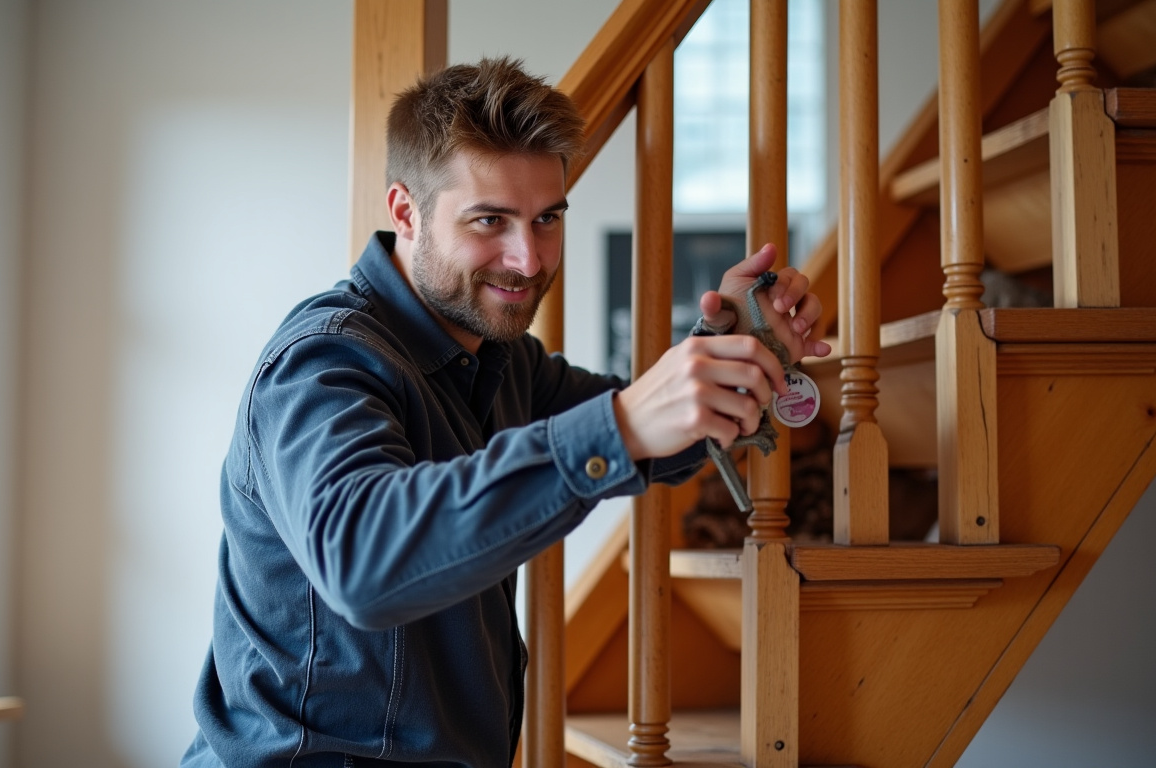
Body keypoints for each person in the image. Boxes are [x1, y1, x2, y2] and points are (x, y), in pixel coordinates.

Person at [182, 57, 829, 768]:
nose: (527, 259)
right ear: (405, 211)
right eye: (490, 220)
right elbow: (361, 563)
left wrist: (737, 346)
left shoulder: (501, 361)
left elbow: (658, 438)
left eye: (546, 219)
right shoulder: (323, 363)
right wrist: (620, 426)